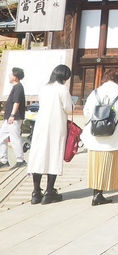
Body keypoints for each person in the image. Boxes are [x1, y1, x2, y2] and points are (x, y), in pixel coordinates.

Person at [81, 69, 118, 205]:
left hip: (95, 133)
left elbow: (86, 112)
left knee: (95, 164)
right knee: (107, 163)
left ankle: (96, 193)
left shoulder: (95, 92)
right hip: (112, 134)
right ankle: (99, 194)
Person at [27, 64, 73, 205]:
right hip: (56, 125)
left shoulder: (44, 88)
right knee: (54, 154)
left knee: (39, 155)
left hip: (41, 125)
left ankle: (36, 192)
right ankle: (49, 191)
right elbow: (68, 108)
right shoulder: (62, 89)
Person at [0, 67, 26, 168]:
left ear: (15, 77)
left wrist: (12, 115)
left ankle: (20, 160)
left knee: (15, 138)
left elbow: (17, 102)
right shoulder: (15, 87)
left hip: (14, 118)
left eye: (11, 74)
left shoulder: (19, 87)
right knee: (1, 138)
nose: (9, 76)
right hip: (9, 119)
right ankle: (4, 160)